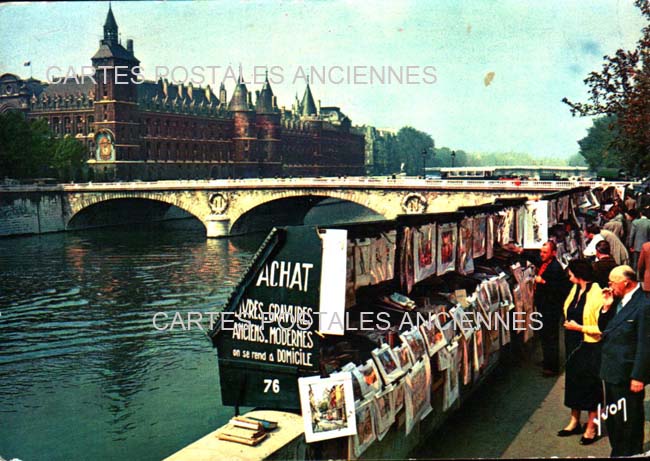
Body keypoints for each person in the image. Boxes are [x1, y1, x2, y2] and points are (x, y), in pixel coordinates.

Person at [598, 265, 650, 457]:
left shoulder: (644, 305)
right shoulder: (618, 301)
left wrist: (638, 376)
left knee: (630, 420)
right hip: (612, 370)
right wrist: (606, 307)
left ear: (626, 282)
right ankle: (618, 451)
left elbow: (646, 344)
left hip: (628, 374)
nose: (610, 286)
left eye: (612, 282)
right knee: (614, 419)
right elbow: (604, 330)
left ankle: (630, 452)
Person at [557, 260, 605, 445]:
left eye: (570, 273)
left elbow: (602, 328)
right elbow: (568, 309)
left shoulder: (597, 293)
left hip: (589, 344)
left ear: (579, 274)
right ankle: (574, 420)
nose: (568, 276)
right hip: (572, 344)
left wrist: (579, 328)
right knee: (573, 381)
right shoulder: (575, 289)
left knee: (591, 384)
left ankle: (591, 427)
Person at [534, 241, 570, 376]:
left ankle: (552, 367)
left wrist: (543, 282)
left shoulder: (555, 268)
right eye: (541, 252)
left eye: (545, 252)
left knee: (550, 336)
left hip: (551, 309)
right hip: (544, 307)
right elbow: (535, 259)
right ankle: (548, 360)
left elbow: (559, 289)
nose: (542, 255)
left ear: (553, 253)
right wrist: (519, 251)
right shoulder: (546, 263)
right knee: (544, 335)